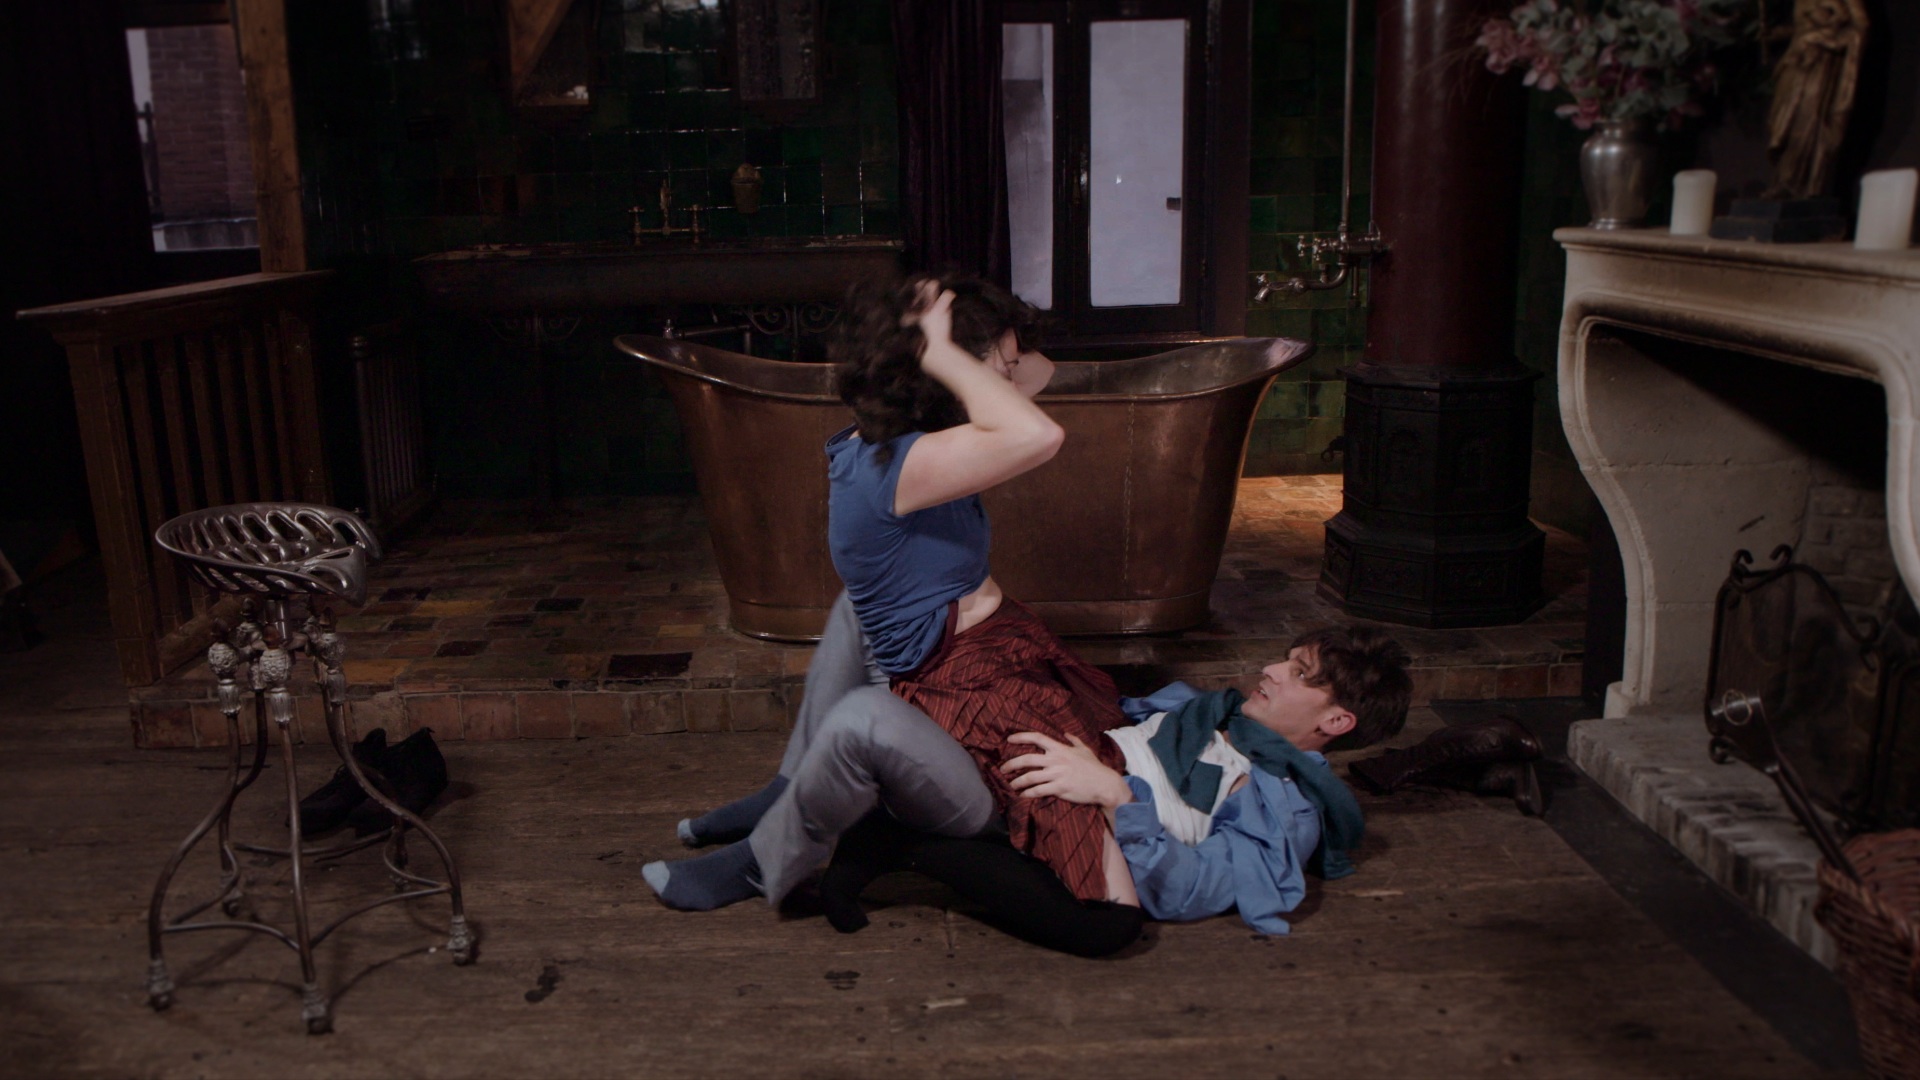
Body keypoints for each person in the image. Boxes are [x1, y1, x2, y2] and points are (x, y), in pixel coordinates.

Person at [643, 271, 1137, 911]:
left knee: (854, 608)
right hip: (960, 731)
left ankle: (787, 790)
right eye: (1000, 364)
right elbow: (1039, 434)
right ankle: (765, 860)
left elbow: (1036, 373)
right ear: (939, 369)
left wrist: (976, 323)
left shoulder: (905, 442)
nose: (1012, 377)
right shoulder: (899, 467)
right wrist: (945, 349)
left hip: (993, 675)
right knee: (861, 714)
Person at [820, 626, 1414, 940]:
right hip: (1066, 758)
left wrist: (1114, 794)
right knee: (998, 652)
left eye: (1299, 673)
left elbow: (1190, 890)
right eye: (1286, 658)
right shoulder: (1208, 710)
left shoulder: (1284, 806)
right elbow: (1114, 716)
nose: (1271, 669)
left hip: (1089, 811)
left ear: (1335, 722)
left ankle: (897, 835)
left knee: (1106, 926)